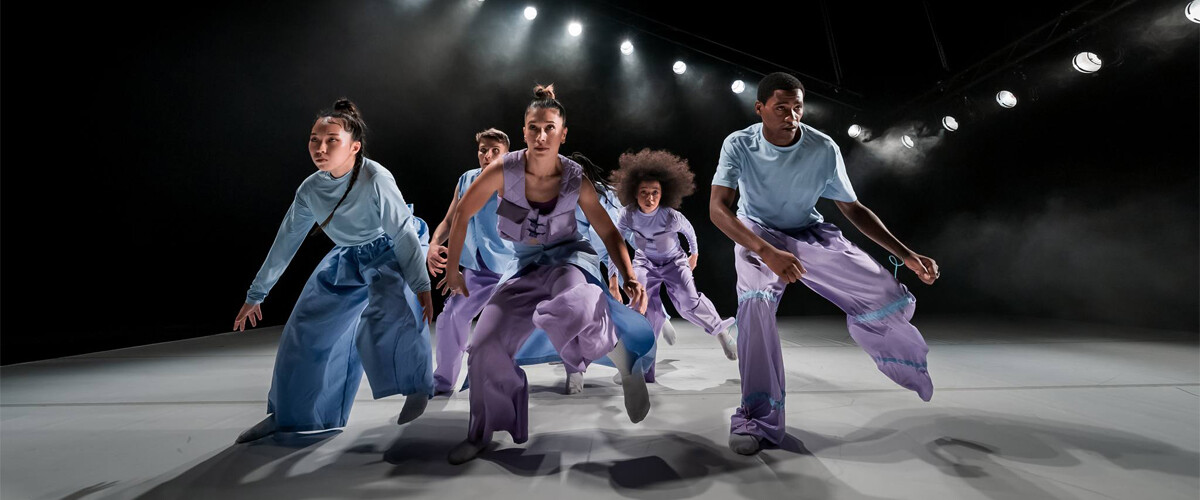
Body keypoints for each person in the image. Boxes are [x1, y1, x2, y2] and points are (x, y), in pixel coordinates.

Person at [709, 73, 940, 455]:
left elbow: (853, 208)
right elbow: (719, 210)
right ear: (760, 108)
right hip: (757, 233)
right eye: (781, 107)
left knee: (881, 289)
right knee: (755, 306)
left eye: (797, 107)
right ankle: (756, 418)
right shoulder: (740, 144)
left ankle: (903, 359)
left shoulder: (823, 147)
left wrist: (907, 255)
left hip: (807, 230)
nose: (791, 115)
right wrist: (766, 251)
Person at [441, 85, 654, 464]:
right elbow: (462, 215)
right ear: (523, 131)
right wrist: (455, 268)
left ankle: (619, 355)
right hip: (523, 267)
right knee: (484, 346)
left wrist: (628, 273)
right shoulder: (502, 170)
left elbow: (608, 231)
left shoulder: (574, 178)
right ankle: (480, 433)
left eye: (549, 128)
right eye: (534, 128)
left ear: (563, 133)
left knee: (573, 303)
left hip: (569, 261)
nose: (541, 136)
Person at [232, 99, 434, 443]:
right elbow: (286, 242)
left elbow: (401, 232)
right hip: (348, 255)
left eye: (331, 140)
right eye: (314, 139)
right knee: (304, 329)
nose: (320, 148)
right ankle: (290, 416)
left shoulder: (375, 178)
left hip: (391, 247)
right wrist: (256, 294)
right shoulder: (310, 189)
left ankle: (416, 386)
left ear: (354, 147)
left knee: (388, 313)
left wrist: (421, 285)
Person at [611, 148, 738, 384]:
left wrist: (694, 255)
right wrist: (612, 279)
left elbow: (689, 232)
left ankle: (720, 331)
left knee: (688, 302)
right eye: (644, 193)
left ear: (663, 193)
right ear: (634, 193)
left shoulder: (670, 216)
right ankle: (641, 366)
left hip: (674, 261)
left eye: (655, 193)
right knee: (643, 308)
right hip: (645, 263)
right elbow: (615, 244)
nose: (650, 198)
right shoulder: (627, 214)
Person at [426, 128, 515, 396]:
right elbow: (450, 220)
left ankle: (574, 365)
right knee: (451, 316)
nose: (487, 156)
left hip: (507, 267)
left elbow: (520, 224)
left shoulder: (512, 182)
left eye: (495, 151)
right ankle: (443, 380)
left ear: (507, 155)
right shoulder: (466, 179)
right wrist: (433, 244)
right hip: (475, 269)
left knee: (501, 329)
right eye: (483, 150)